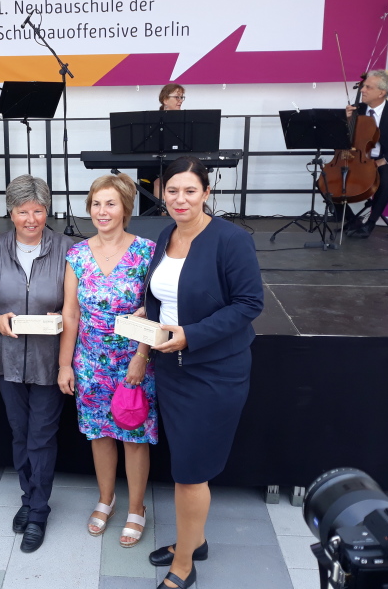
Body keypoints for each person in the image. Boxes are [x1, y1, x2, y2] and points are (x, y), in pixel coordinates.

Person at [142, 156, 263, 589]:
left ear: (206, 194)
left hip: (214, 373)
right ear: (161, 192)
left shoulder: (231, 240)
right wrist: (148, 324)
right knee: (186, 465)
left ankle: (185, 565)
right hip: (171, 368)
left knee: (190, 472)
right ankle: (196, 540)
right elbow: (158, 295)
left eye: (190, 190)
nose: (180, 199)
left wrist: (190, 335)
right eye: (172, 190)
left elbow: (249, 305)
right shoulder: (165, 235)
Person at [0, 175, 74, 553]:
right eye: (22, 211)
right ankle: (28, 498)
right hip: (7, 356)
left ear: (48, 210)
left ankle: (39, 512)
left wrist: (62, 317)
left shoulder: (68, 250)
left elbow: (74, 306)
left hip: (50, 358)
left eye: (38, 210)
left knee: (41, 435)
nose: (31, 219)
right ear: (10, 212)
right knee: (19, 432)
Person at [58, 173, 157, 548]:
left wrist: (141, 357)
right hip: (90, 362)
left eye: (110, 203)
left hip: (133, 361)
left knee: (133, 436)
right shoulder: (77, 255)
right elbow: (70, 314)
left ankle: (136, 508)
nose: (102, 211)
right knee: (99, 434)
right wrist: (66, 365)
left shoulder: (147, 251)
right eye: (96, 204)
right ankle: (107, 499)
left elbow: (154, 308)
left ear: (126, 208)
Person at [336, 70, 388, 238]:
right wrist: (345, 122)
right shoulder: (356, 110)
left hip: (383, 161)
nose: (362, 90)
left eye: (368, 87)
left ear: (381, 92)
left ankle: (370, 223)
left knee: (387, 177)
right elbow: (340, 140)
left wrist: (384, 160)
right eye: (363, 86)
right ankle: (352, 220)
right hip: (357, 160)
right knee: (325, 179)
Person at [138, 83, 187, 213]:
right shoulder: (152, 120)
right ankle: (162, 216)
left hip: (178, 162)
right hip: (155, 163)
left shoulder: (187, 120)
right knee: (159, 182)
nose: (180, 101)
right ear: (165, 100)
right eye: (177, 97)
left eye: (182, 97)